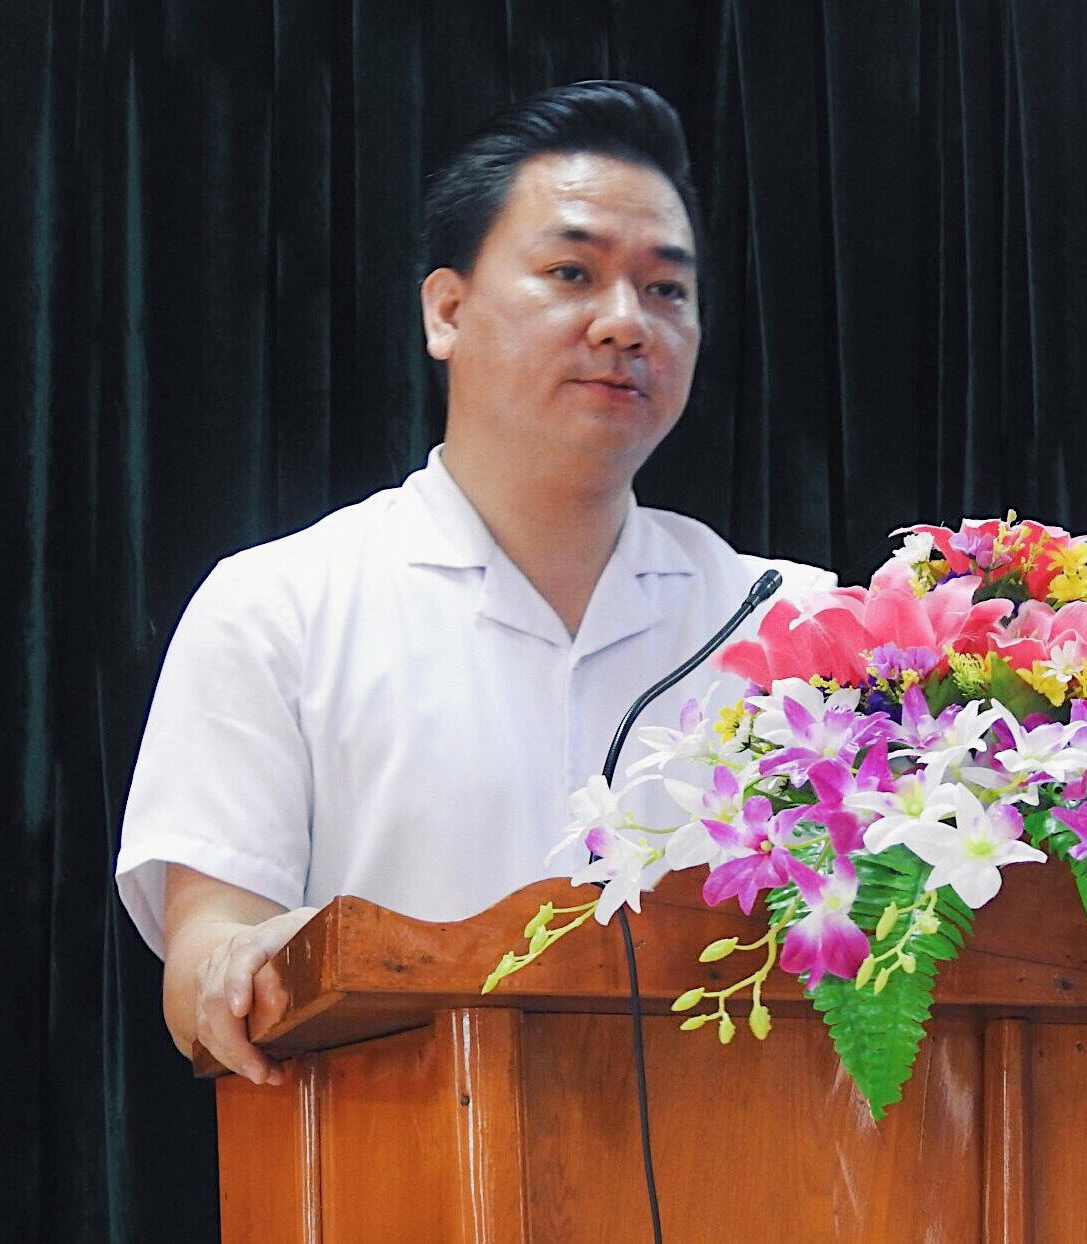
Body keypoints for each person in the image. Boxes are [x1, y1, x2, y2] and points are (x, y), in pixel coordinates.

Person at [115, 81, 832, 1088]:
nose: (626, 322)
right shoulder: (280, 606)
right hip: (399, 1149)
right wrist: (237, 963)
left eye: (667, 290)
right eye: (573, 272)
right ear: (446, 311)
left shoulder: (793, 622)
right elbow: (207, 946)